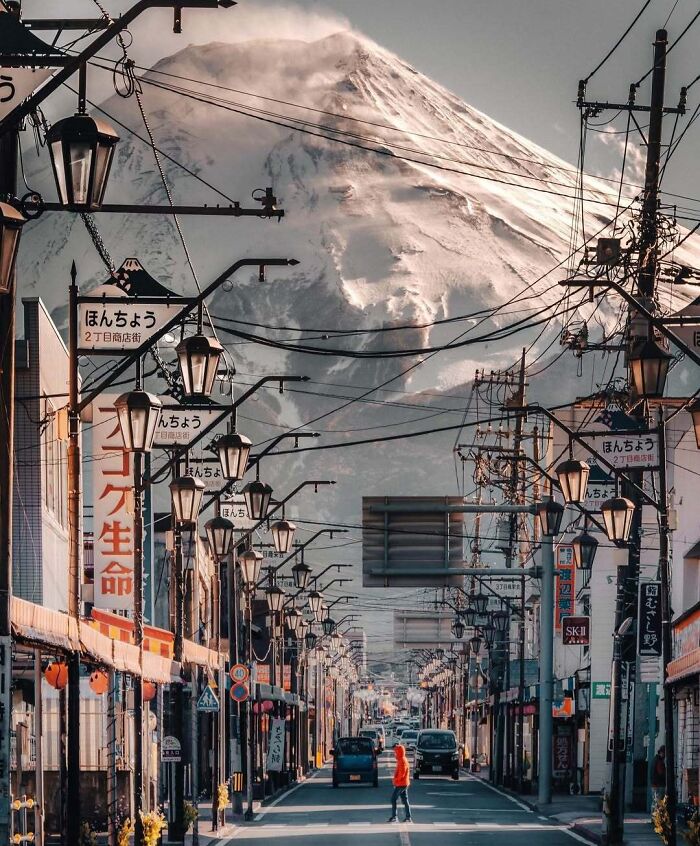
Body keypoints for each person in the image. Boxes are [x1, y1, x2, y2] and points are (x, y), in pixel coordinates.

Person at [388, 743, 412, 823]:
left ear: (399, 752)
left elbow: (402, 774)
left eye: (396, 752)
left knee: (393, 799)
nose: (395, 753)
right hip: (403, 783)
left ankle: (394, 817)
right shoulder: (401, 759)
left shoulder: (402, 760)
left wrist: (395, 780)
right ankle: (408, 817)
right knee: (405, 800)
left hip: (401, 784)